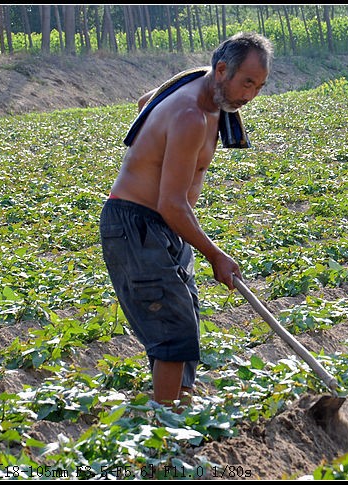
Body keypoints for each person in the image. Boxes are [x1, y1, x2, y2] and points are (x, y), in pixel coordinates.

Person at [99, 32, 273, 410]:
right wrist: (215, 254)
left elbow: (147, 102)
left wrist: (157, 144)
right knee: (173, 332)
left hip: (161, 226)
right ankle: (165, 430)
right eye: (246, 83)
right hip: (138, 225)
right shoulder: (191, 115)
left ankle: (180, 408)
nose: (250, 96)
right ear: (223, 70)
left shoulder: (198, 83)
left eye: (259, 86)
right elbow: (172, 204)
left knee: (185, 319)